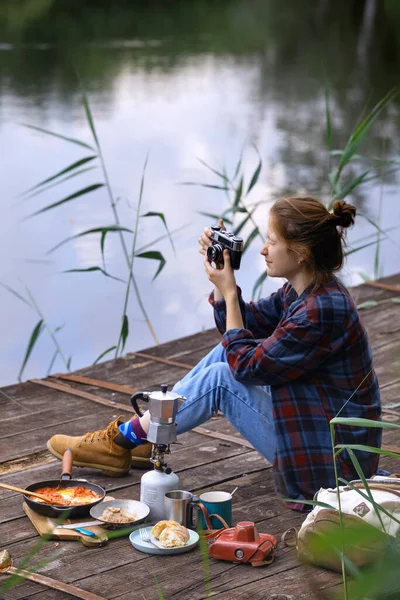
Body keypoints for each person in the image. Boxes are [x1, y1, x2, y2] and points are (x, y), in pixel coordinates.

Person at [47, 196, 382, 510]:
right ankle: (144, 435)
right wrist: (223, 283)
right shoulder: (303, 293)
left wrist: (230, 293)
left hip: (332, 470)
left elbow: (246, 367)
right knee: (226, 354)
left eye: (272, 242)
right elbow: (244, 328)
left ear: (302, 253)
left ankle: (124, 441)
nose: (264, 249)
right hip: (314, 433)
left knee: (223, 378)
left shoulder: (321, 309)